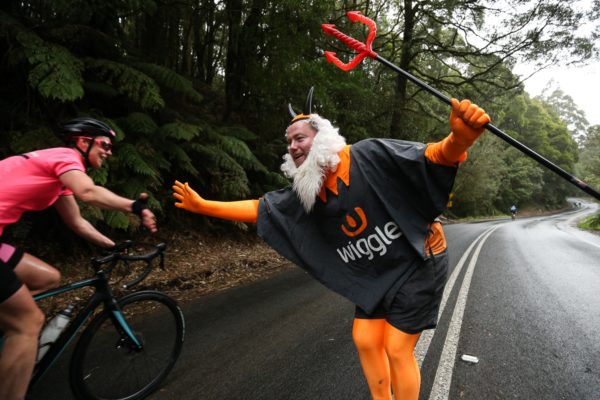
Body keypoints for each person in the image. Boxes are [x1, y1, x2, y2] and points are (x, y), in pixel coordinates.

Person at [172, 87, 490, 400]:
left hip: (418, 258)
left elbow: (429, 156)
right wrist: (204, 206)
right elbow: (262, 208)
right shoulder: (309, 190)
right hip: (378, 269)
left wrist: (459, 140)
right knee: (365, 338)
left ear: (321, 137)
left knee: (396, 346)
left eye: (300, 138)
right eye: (289, 142)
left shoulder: (367, 154)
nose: (293, 147)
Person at [0, 117, 157, 400]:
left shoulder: (56, 173)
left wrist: (115, 247)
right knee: (28, 322)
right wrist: (134, 206)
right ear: (83, 143)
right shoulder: (65, 157)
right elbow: (88, 192)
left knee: (48, 278)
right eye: (105, 145)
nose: (109, 151)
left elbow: (77, 222)